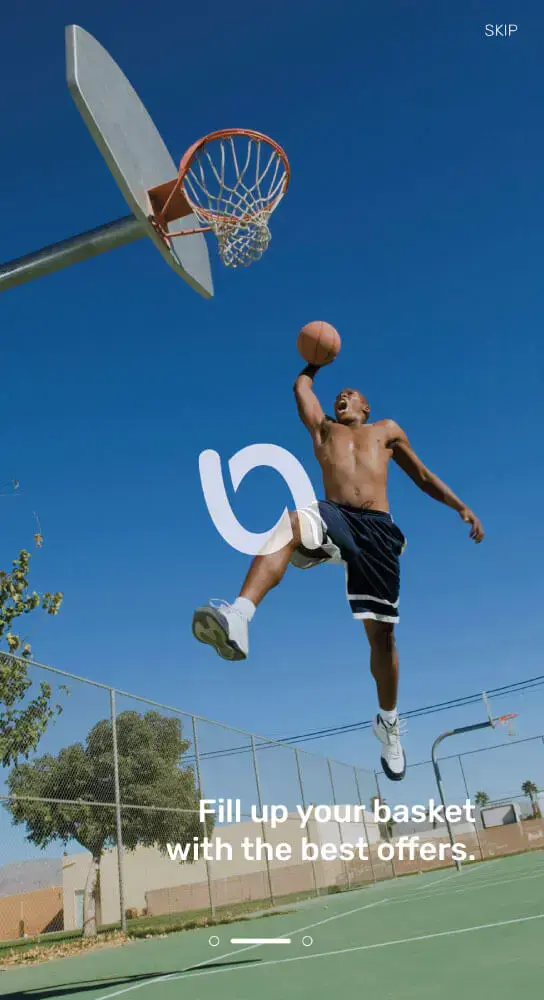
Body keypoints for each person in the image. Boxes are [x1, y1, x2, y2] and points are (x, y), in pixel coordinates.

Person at [192, 361, 484, 780]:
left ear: (365, 405)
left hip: (379, 533)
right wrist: (311, 364)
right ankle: (239, 616)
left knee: (382, 638)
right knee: (291, 522)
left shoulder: (387, 430)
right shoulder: (324, 431)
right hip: (336, 517)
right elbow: (301, 390)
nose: (341, 398)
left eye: (349, 394)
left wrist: (461, 506)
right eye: (337, 396)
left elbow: (421, 475)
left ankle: (388, 722)